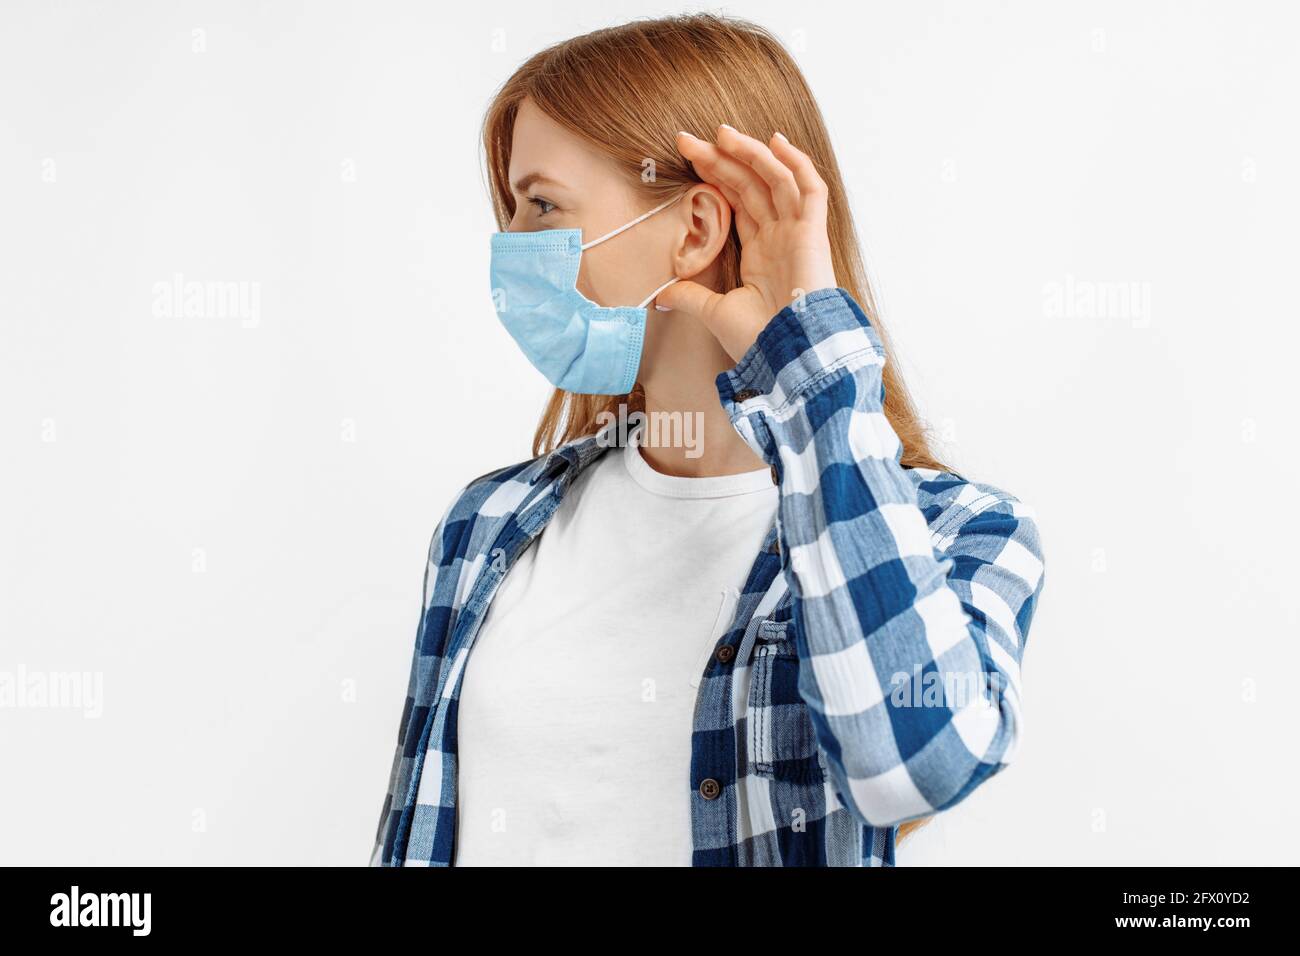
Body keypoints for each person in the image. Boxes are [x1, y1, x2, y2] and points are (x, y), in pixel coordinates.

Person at [371, 13, 1046, 867]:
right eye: (509, 206)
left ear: (694, 230)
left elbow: (914, 765)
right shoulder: (489, 526)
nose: (509, 245)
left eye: (541, 204)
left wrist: (816, 371)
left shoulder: (962, 532)